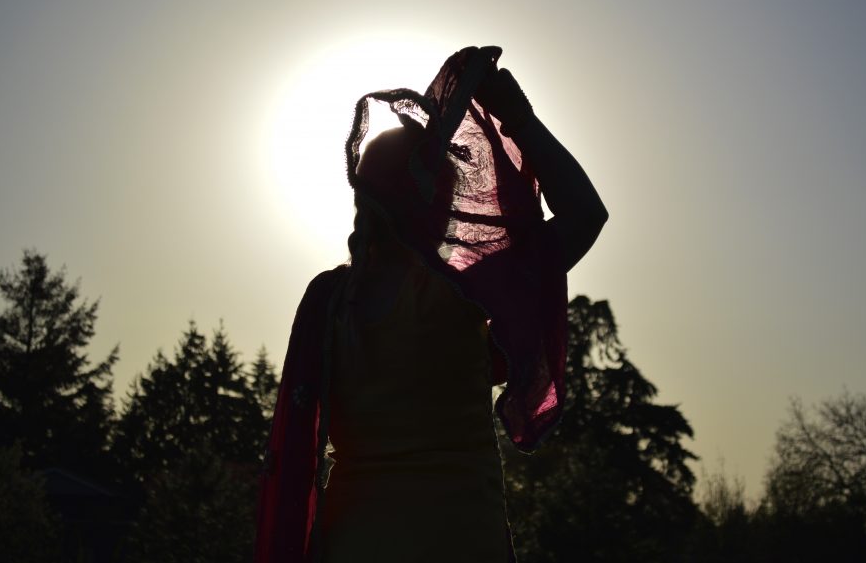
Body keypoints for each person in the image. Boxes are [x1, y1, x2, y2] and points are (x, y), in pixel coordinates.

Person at [254, 46, 608, 563]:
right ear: (438, 204)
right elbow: (585, 215)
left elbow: (295, 459)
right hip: (461, 537)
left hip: (355, 541)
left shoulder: (329, 303)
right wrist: (521, 121)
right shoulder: (465, 287)